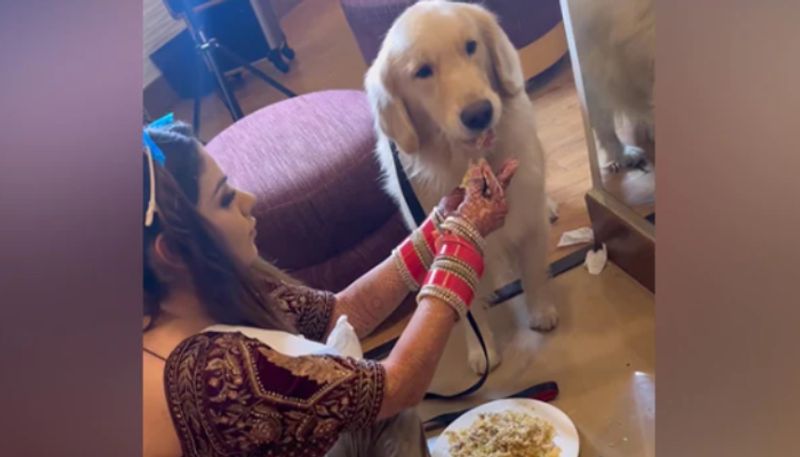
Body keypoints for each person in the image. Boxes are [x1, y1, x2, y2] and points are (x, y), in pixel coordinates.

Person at [141, 119, 519, 457]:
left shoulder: (202, 292)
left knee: (377, 416)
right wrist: (464, 242)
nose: (248, 200)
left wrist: (439, 227)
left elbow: (339, 312)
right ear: (173, 252)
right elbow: (399, 384)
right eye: (225, 199)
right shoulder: (218, 374)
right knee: (383, 410)